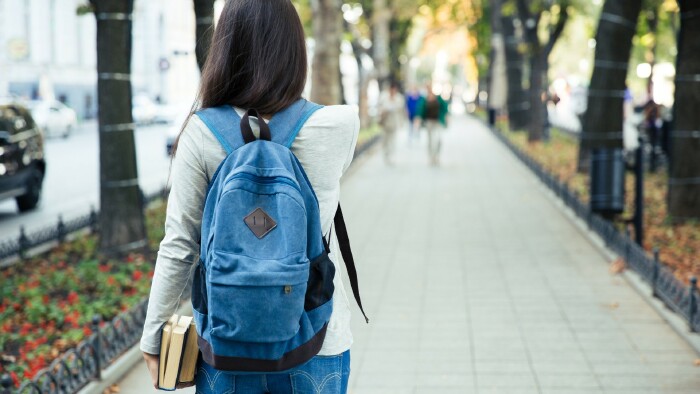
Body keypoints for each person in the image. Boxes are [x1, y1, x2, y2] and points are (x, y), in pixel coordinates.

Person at [140, 1, 359, 392]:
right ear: (296, 51)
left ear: (225, 49)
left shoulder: (201, 132)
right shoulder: (339, 124)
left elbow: (180, 243)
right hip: (316, 339)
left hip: (227, 344)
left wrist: (154, 336)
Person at [417, 89, 449, 166]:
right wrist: (418, 120)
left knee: (439, 140)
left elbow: (445, 109)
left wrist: (447, 119)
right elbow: (420, 111)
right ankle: (431, 157)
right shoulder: (425, 100)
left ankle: (436, 156)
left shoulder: (439, 100)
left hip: (438, 122)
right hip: (429, 123)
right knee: (430, 141)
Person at [378, 83, 405, 164]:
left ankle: (391, 156)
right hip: (385, 122)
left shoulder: (399, 98)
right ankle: (386, 155)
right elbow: (381, 107)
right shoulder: (384, 96)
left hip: (394, 122)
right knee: (385, 140)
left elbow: (399, 109)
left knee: (393, 140)